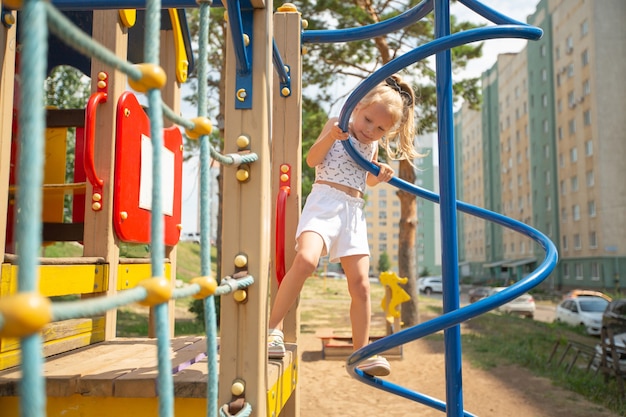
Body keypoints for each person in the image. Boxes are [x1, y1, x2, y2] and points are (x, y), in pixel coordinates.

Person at [268, 74, 422, 377]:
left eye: (380, 129)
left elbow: (364, 181)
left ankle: (360, 354)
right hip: (324, 202)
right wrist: (331, 138)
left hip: (353, 212)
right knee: (306, 260)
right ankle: (272, 328)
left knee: (362, 286)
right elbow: (312, 160)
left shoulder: (372, 146)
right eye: (367, 120)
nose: (370, 131)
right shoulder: (336, 124)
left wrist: (380, 177)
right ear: (358, 106)